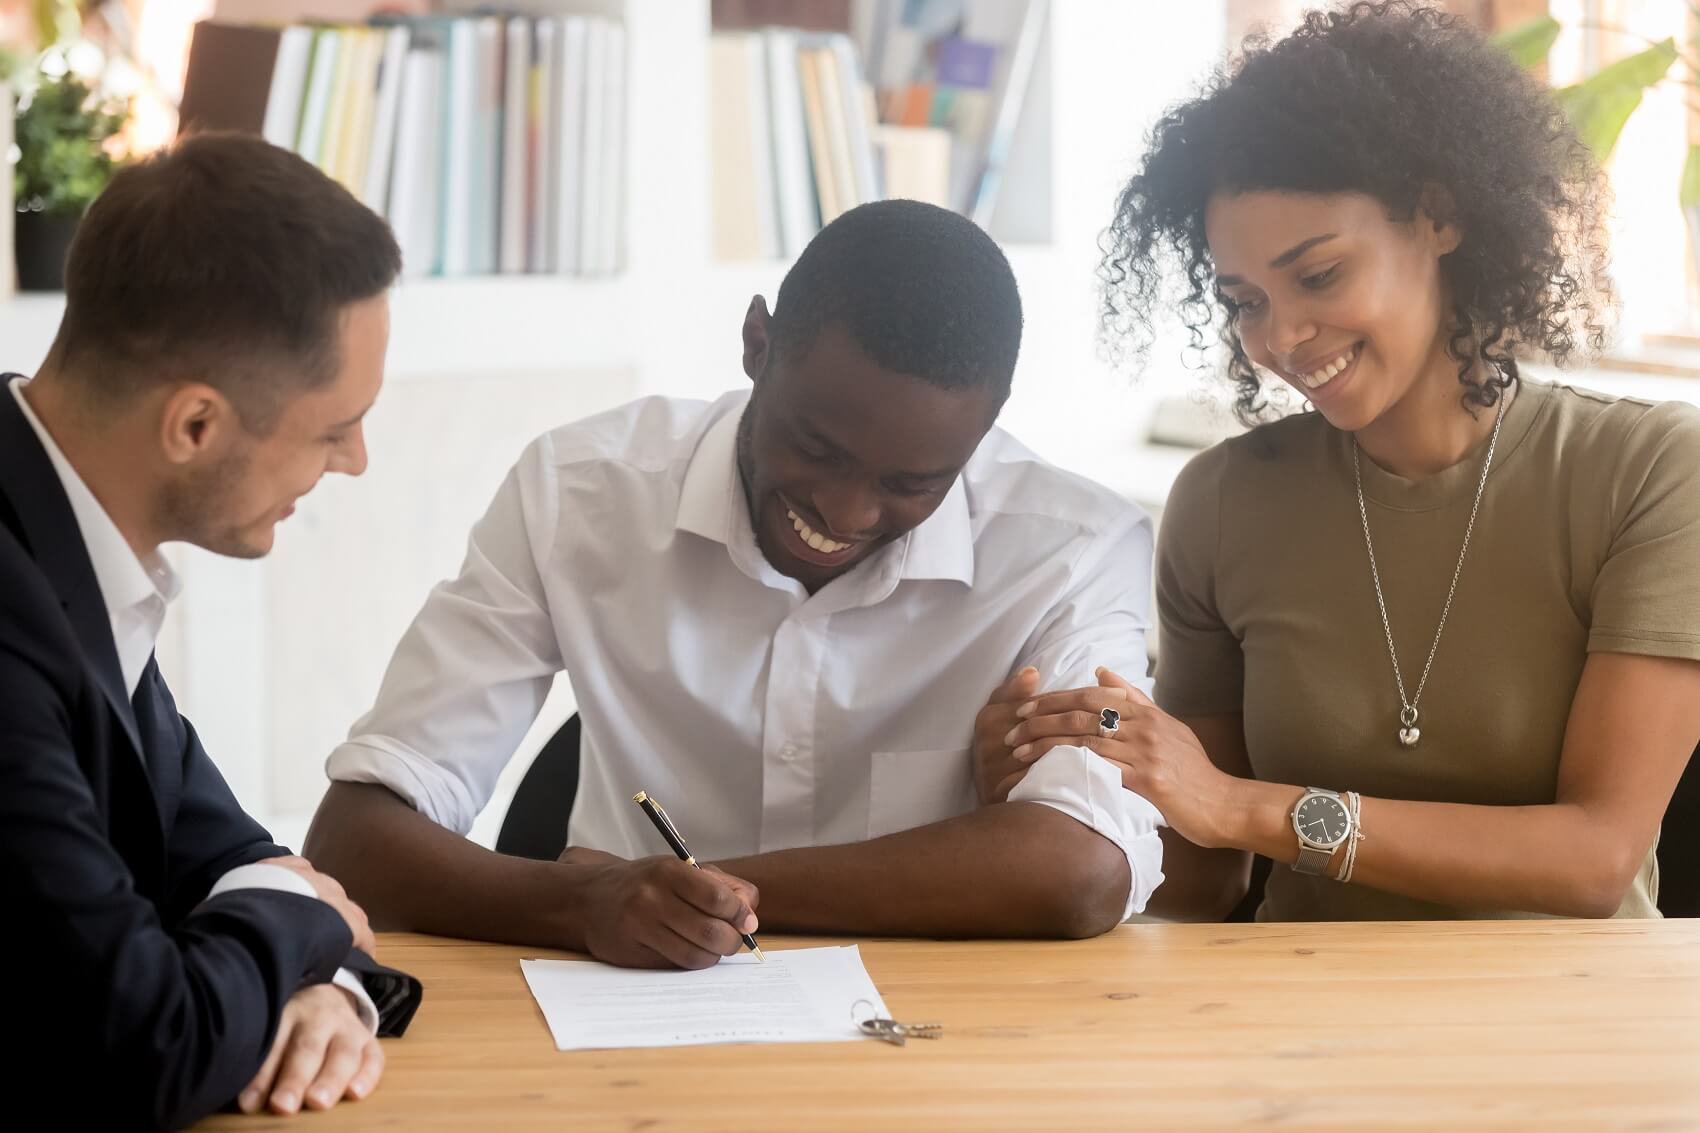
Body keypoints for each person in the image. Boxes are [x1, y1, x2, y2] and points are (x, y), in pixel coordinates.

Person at [981, 0, 1700, 921]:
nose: (1280, 337)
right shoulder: (1223, 503)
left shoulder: (1644, 473)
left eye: (1318, 276)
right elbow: (1205, 884)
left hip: (1561, 1033)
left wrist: (1247, 807)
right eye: (1244, 300)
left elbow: (1596, 856)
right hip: (1293, 1034)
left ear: (1438, 218)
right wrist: (1060, 784)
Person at [304, 200, 1165, 967]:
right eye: (818, 447)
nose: (847, 510)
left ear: (983, 432)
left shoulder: (1075, 551)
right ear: (757, 344)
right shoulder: (579, 491)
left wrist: (693, 893)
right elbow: (358, 836)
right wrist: (580, 905)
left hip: (929, 1026)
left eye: (913, 483)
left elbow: (1083, 868)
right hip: (618, 1016)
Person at [0, 133, 420, 1129]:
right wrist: (306, 921)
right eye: (332, 427)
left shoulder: (64, 544)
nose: (355, 460)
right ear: (195, 425)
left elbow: (230, 858)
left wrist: (331, 985)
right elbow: (150, 1037)